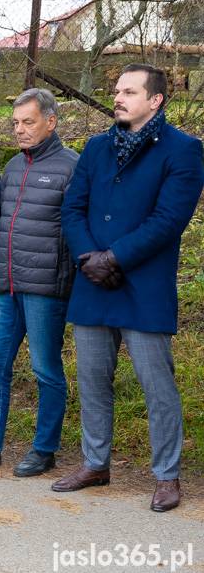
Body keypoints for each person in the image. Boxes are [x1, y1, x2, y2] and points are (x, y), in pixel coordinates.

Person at [54, 64, 204, 512]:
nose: (118, 97)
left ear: (155, 100)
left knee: (157, 386)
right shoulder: (97, 147)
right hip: (94, 282)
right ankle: (95, 463)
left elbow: (169, 220)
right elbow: (72, 208)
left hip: (143, 284)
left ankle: (166, 475)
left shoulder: (184, 149)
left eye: (129, 91)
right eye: (116, 90)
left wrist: (114, 258)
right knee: (93, 381)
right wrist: (89, 258)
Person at [0, 89, 78, 476]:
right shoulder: (13, 166)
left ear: (51, 122)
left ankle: (44, 448)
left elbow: (76, 230)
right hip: (6, 285)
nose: (20, 130)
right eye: (16, 123)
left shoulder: (72, 166)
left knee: (45, 369)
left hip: (44, 289)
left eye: (28, 122)